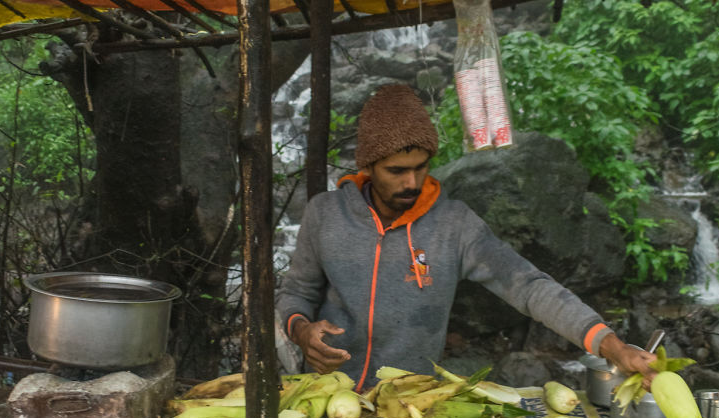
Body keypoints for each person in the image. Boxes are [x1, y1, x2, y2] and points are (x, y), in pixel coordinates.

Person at [276, 84, 655, 391]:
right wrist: (302, 330)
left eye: (421, 167)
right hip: (328, 396)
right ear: (368, 166)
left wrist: (610, 344)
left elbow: (530, 287)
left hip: (413, 400)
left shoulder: (454, 224)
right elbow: (296, 294)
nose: (412, 182)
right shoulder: (324, 214)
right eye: (396, 171)